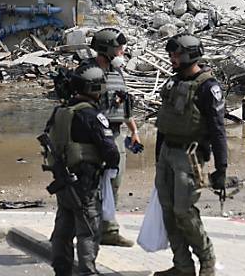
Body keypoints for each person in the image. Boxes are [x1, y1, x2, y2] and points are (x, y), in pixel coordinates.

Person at [153, 34, 228, 276]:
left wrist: (221, 167)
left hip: (190, 157)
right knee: (168, 212)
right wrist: (158, 158)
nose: (172, 59)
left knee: (184, 212)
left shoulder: (208, 87)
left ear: (190, 55)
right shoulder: (173, 83)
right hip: (167, 153)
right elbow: (164, 124)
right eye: (171, 55)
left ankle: (207, 260)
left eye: (176, 55)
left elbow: (218, 130)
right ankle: (183, 266)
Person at [43, 65, 120, 276]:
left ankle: (61, 269)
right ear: (95, 88)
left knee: (63, 228)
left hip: (63, 181)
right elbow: (111, 153)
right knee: (88, 231)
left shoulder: (61, 111)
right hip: (85, 182)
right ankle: (87, 272)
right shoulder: (90, 115)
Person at [82, 27, 142, 247]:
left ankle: (108, 231)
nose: (122, 51)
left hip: (115, 134)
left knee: (115, 182)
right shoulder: (88, 73)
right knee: (90, 186)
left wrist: (134, 131)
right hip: (92, 136)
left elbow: (123, 106)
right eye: (118, 48)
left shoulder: (118, 73)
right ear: (106, 50)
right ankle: (87, 232)